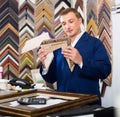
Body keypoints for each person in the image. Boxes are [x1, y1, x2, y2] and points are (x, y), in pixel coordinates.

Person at [37, 8, 111, 105]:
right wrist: (45, 64)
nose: (67, 26)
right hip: (63, 103)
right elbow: (51, 79)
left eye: (71, 21)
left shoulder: (94, 43)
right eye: (64, 24)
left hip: (87, 103)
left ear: (80, 21)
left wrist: (81, 61)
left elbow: (105, 71)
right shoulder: (58, 47)